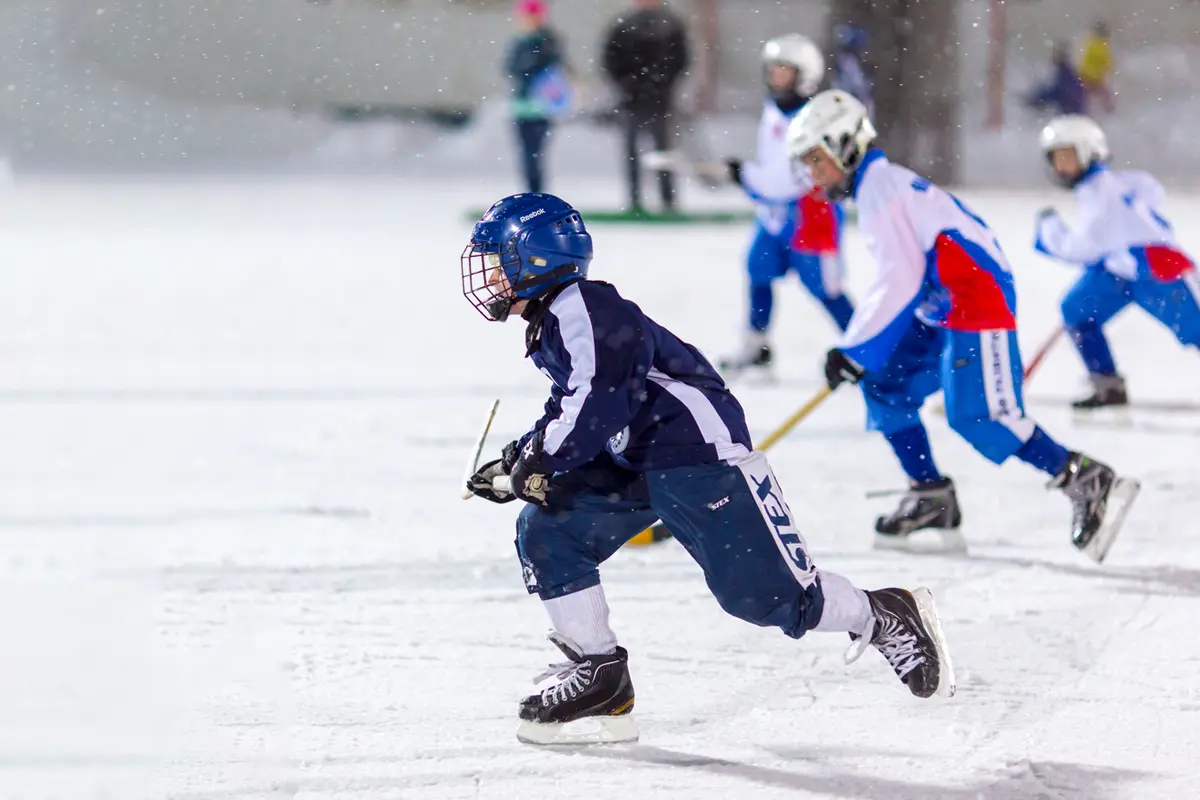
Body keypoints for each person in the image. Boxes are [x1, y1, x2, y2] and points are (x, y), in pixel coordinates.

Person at [461, 192, 955, 746]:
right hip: (635, 459)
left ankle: (882, 613)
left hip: (697, 456)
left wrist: (537, 461)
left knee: (769, 601)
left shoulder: (584, 308)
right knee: (549, 530)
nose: (490, 274)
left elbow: (596, 403)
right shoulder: (556, 320)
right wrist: (520, 458)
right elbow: (572, 405)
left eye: (499, 258)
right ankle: (600, 676)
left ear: (536, 259)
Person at [786, 90, 1139, 564]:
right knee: (885, 384)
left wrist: (853, 348)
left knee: (980, 414)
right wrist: (861, 355)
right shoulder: (879, 186)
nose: (813, 174)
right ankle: (931, 494)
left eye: (816, 159)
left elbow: (899, 278)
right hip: (939, 305)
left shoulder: (880, 189)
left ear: (846, 144)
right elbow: (905, 277)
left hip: (975, 298)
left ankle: (1083, 477)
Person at [1035, 114, 1199, 409]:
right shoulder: (1104, 185)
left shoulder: (1102, 191)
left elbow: (1081, 248)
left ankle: (1107, 385)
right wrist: (1116, 246)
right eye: (1055, 158)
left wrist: (1049, 229)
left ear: (1089, 150)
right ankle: (1107, 385)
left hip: (1157, 272)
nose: (1060, 166)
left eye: (1067, 156)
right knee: (1076, 310)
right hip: (1118, 269)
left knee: (1196, 329)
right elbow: (1147, 194)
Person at [718, 34, 856, 376]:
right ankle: (756, 344)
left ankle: (863, 349)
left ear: (804, 75)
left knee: (826, 289)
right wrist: (748, 175)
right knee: (758, 271)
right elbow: (771, 167)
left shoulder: (814, 118)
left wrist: (744, 177)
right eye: (773, 70)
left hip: (811, 217)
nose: (776, 78)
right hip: (775, 216)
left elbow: (788, 179)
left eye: (785, 71)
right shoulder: (774, 110)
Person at [602, 0, 690, 213]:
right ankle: (634, 200)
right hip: (631, 98)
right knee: (632, 149)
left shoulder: (669, 25)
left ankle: (667, 200)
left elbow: (680, 60)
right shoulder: (623, 26)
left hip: (660, 98)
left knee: (663, 150)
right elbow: (610, 60)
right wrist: (628, 85)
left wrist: (662, 83)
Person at [505, 0, 567, 193]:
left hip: (541, 105)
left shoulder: (546, 41)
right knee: (526, 153)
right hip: (523, 105)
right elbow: (511, 68)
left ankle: (536, 192)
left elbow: (540, 66)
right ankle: (531, 191)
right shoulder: (521, 41)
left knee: (534, 153)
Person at [1025, 42, 1085, 116]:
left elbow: (1057, 91)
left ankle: (1034, 100)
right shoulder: (1066, 70)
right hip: (1071, 108)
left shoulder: (1064, 72)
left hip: (1070, 110)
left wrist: (1039, 100)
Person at [1078, 22, 1115, 114]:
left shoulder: (1092, 43)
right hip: (1092, 76)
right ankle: (1108, 110)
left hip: (1088, 75)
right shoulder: (1099, 46)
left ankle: (1084, 111)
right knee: (1102, 95)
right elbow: (1107, 61)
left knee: (1087, 96)